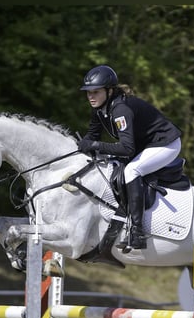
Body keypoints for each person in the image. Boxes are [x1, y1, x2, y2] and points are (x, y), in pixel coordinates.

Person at [77, 65, 182, 250]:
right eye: (88, 93)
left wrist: (94, 146)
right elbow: (91, 137)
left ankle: (138, 232)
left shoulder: (120, 109)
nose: (91, 97)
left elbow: (126, 148)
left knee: (131, 171)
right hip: (145, 145)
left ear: (109, 91)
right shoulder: (99, 110)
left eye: (96, 92)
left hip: (165, 144)